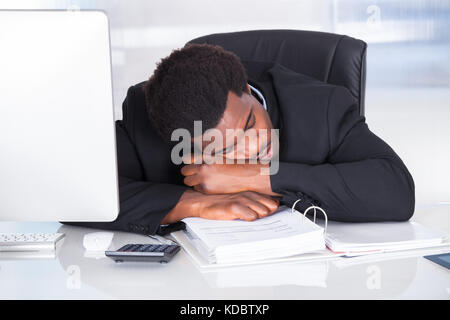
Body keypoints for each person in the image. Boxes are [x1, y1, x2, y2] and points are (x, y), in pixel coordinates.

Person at [62, 43, 415, 235]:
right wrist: (192, 203)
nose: (248, 150)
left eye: (248, 126)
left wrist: (258, 177)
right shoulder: (147, 113)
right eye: (218, 149)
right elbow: (74, 193)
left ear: (247, 89)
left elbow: (396, 191)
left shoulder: (322, 107)